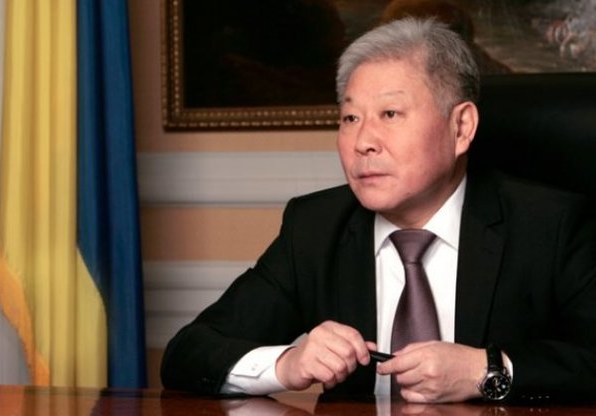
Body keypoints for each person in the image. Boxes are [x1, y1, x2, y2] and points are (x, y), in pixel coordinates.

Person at [161, 17, 596, 403]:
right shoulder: (315, 228)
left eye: (390, 113)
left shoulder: (550, 226)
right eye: (350, 118)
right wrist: (286, 364)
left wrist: (487, 371)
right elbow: (188, 352)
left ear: (461, 127)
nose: (363, 142)